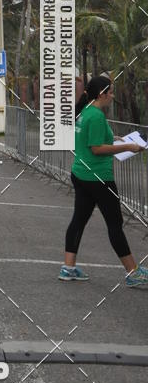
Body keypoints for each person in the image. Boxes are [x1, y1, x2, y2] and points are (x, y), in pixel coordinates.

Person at [60, 76, 148, 287]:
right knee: (115, 224)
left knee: (78, 220)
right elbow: (97, 149)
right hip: (98, 178)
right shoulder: (96, 116)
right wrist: (128, 147)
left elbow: (94, 139)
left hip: (81, 173)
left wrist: (117, 140)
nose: (113, 96)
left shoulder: (85, 112)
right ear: (102, 94)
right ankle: (132, 272)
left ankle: (68, 267)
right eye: (111, 92)